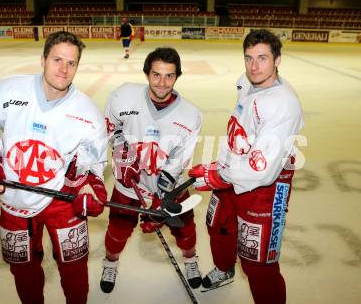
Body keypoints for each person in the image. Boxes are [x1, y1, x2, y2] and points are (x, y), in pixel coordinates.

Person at [0, 31, 108, 304]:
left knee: (74, 265)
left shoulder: (88, 114)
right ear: (43, 59)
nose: (64, 69)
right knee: (23, 268)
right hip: (14, 199)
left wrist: (91, 182)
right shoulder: (8, 91)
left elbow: (93, 162)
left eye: (71, 63)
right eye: (57, 59)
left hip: (62, 198)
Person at [188, 29, 305, 304]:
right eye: (249, 58)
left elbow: (262, 170)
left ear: (277, 60)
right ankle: (225, 269)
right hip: (235, 171)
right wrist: (222, 165)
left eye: (262, 58)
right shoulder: (246, 82)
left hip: (266, 186)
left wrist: (217, 175)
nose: (254, 66)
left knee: (257, 262)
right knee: (217, 223)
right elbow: (243, 134)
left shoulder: (283, 105)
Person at [100, 47, 203, 293]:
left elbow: (178, 160)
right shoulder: (123, 96)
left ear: (177, 76)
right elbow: (110, 128)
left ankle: (191, 260)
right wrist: (120, 154)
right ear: (147, 73)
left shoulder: (190, 115)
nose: (162, 83)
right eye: (156, 75)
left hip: (167, 188)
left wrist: (159, 199)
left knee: (185, 229)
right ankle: (110, 263)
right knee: (117, 229)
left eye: (169, 76)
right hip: (128, 184)